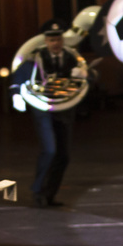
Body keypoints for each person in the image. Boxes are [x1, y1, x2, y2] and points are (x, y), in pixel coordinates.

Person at [18, 21, 84, 207]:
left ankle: (50, 194)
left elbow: (89, 76)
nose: (55, 43)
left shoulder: (72, 57)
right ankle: (37, 191)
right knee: (49, 150)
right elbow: (20, 75)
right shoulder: (36, 58)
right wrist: (16, 94)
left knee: (63, 156)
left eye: (58, 38)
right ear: (45, 40)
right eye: (51, 39)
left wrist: (85, 75)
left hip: (65, 111)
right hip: (43, 109)